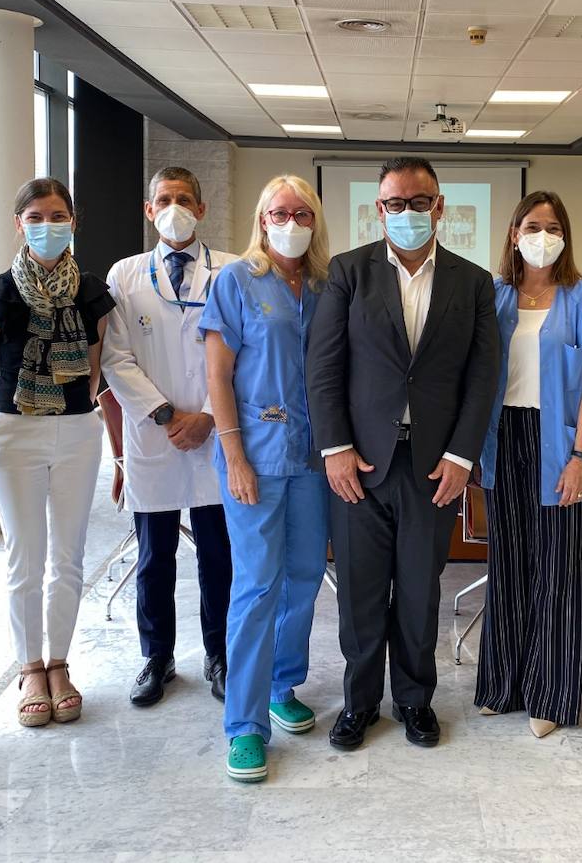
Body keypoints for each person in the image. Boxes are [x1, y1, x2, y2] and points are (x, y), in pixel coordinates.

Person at [306, 156, 499, 751]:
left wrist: (463, 455)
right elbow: (324, 367)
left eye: (419, 202)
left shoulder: (472, 281)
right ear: (379, 209)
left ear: (440, 207)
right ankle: (359, 702)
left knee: (419, 592)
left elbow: (483, 376)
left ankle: (415, 699)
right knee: (360, 593)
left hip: (433, 467)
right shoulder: (348, 272)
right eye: (396, 203)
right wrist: (335, 448)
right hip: (359, 466)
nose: (407, 212)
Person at [203, 175, 332, 783]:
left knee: (304, 577)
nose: (290, 222)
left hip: (313, 458)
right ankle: (245, 725)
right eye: (279, 213)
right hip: (254, 455)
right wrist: (234, 455)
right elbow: (217, 375)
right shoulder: (236, 281)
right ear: (261, 220)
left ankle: (283, 684)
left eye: (301, 213)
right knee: (257, 587)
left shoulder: (326, 286)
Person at [0, 178, 115, 729]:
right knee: (24, 556)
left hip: (77, 430)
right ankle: (30, 668)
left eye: (58, 216)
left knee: (69, 556)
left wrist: (67, 407)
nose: (47, 226)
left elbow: (96, 369)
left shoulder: (92, 292)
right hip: (13, 432)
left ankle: (59, 664)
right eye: (35, 216)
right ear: (19, 224)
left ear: (73, 223)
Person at [473, 192, 582, 739]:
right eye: (532, 226)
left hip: (560, 443)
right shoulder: (494, 296)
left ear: (565, 236)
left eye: (553, 227)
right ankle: (502, 685)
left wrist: (581, 456)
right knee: (507, 564)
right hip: (503, 438)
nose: (543, 236)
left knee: (556, 570)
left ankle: (550, 693)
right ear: (514, 234)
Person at [103, 167, 236, 707]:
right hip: (154, 435)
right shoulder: (125, 274)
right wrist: (164, 414)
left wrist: (205, 416)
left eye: (184, 199)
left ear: (201, 209)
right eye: (164, 199)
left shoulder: (231, 271)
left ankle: (219, 653)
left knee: (218, 554)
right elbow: (115, 357)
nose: (174, 208)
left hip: (214, 431)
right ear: (148, 209)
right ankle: (157, 656)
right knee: (155, 555)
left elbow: (244, 352)